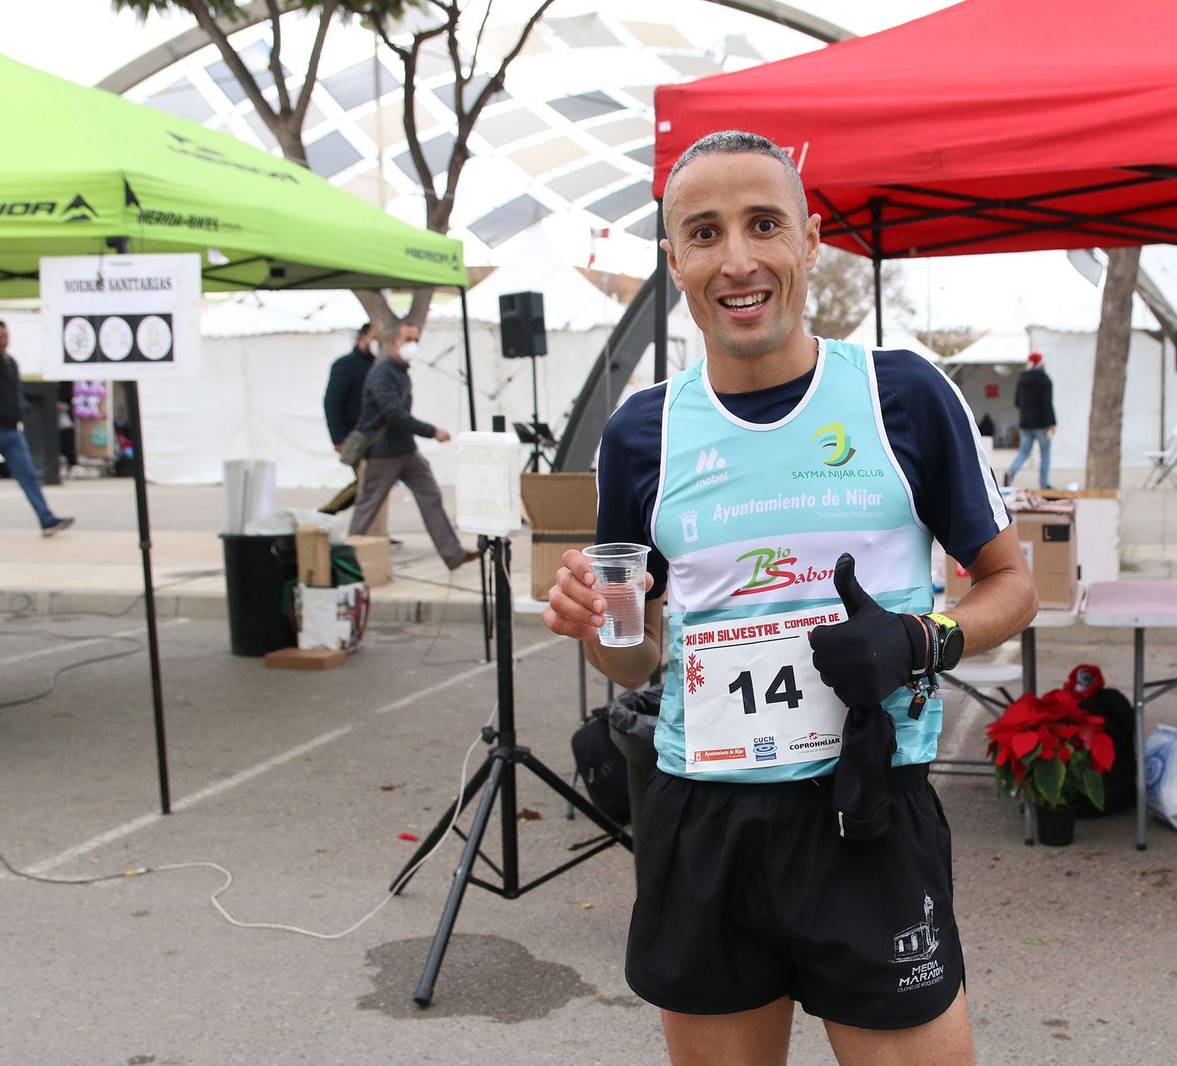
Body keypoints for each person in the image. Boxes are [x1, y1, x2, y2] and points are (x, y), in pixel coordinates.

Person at [543, 130, 1035, 1065]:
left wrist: (918, 638)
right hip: (702, 816)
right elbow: (636, 652)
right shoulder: (641, 432)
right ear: (675, 261)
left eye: (765, 224)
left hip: (866, 810)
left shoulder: (903, 394)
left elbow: (1015, 586)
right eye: (705, 232)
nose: (738, 260)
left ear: (810, 242)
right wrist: (591, 629)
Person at [347, 323, 477, 570]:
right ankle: (345, 558)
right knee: (368, 505)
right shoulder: (382, 373)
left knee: (430, 495)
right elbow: (393, 413)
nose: (413, 344)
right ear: (394, 341)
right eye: (408, 339)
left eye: (415, 339)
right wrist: (432, 431)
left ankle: (452, 553)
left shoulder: (399, 371)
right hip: (384, 451)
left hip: (405, 449)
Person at [0, 320, 74, 539]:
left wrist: (22, 409)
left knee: (28, 476)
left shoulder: (10, 362)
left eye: (3, 336)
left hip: (10, 431)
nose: (3, 341)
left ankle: (46, 519)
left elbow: (14, 391)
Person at [319, 323, 392, 540]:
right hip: (356, 436)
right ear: (362, 338)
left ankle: (372, 531)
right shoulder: (346, 365)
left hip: (379, 438)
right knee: (365, 483)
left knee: (372, 484)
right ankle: (326, 512)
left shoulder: (379, 366)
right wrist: (338, 437)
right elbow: (332, 402)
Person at [1004, 351, 1055, 489]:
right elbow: (1047, 403)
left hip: (1025, 423)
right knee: (1045, 452)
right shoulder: (1045, 380)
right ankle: (1043, 483)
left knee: (1024, 451)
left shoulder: (1022, 380)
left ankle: (1010, 473)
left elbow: (1017, 402)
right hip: (1042, 424)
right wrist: (1052, 423)